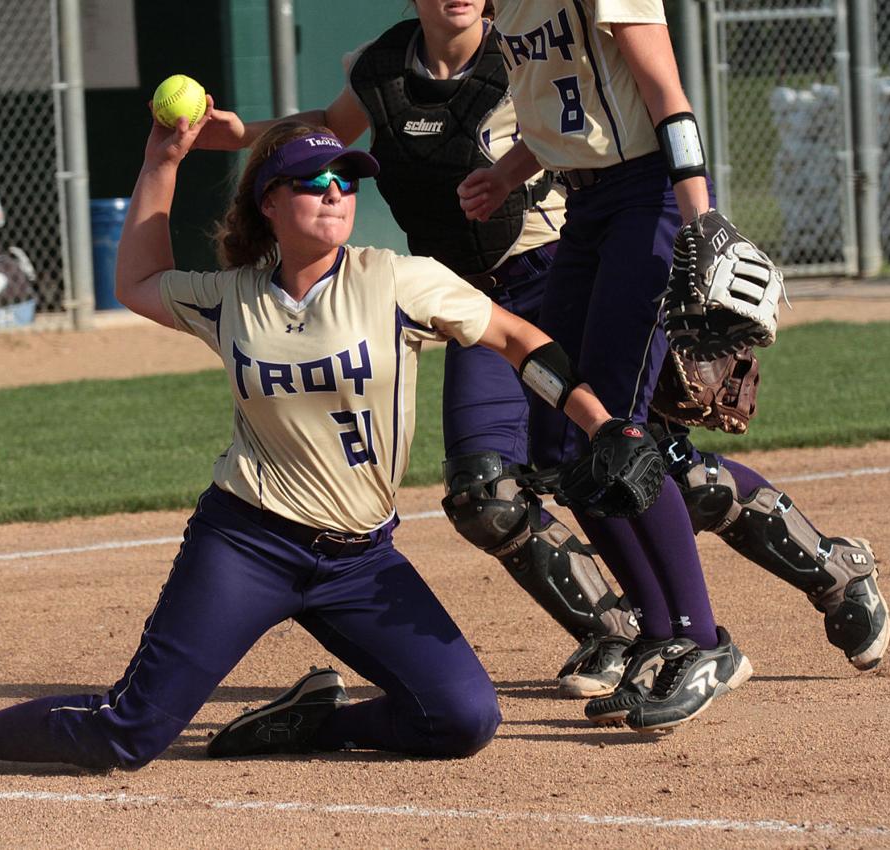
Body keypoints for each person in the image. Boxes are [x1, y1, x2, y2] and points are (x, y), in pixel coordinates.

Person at [0, 113, 649, 780]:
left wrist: (601, 424)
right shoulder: (230, 298)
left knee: (463, 719)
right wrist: (162, 161)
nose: (336, 192)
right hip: (246, 544)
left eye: (347, 181)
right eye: (314, 180)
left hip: (360, 562)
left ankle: (314, 723)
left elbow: (517, 339)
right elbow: (136, 282)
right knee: (128, 734)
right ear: (269, 201)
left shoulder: (397, 280)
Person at [196, 0, 889, 710]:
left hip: (588, 238)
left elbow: (661, 98)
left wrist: (699, 221)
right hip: (514, 267)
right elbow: (549, 122)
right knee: (537, 467)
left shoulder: (540, 24)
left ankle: (745, 611)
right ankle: (638, 632)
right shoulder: (419, 53)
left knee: (628, 446)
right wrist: (241, 136)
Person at [195, 0, 639, 701]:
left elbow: (586, 126)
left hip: (562, 277)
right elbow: (328, 128)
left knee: (624, 460)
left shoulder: (525, 46)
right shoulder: (384, 65)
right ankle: (616, 631)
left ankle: (811, 577)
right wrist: (239, 136)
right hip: (474, 296)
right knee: (483, 494)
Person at [453, 0, 770, 732]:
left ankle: (702, 642)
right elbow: (563, 118)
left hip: (648, 197)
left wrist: (700, 223)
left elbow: (664, 93)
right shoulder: (510, 8)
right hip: (585, 207)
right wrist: (506, 174)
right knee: (561, 436)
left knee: (619, 431)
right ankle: (658, 635)